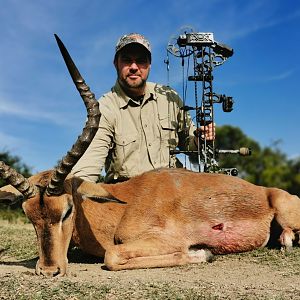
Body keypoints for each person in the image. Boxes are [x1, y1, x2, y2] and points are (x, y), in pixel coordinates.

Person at [71, 33, 215, 183]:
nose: (134, 67)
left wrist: (200, 140)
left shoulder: (169, 97)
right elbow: (88, 166)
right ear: (116, 63)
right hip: (129, 198)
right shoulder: (106, 108)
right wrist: (75, 187)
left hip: (174, 189)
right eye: (127, 60)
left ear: (149, 65)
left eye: (140, 61)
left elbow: (193, 151)